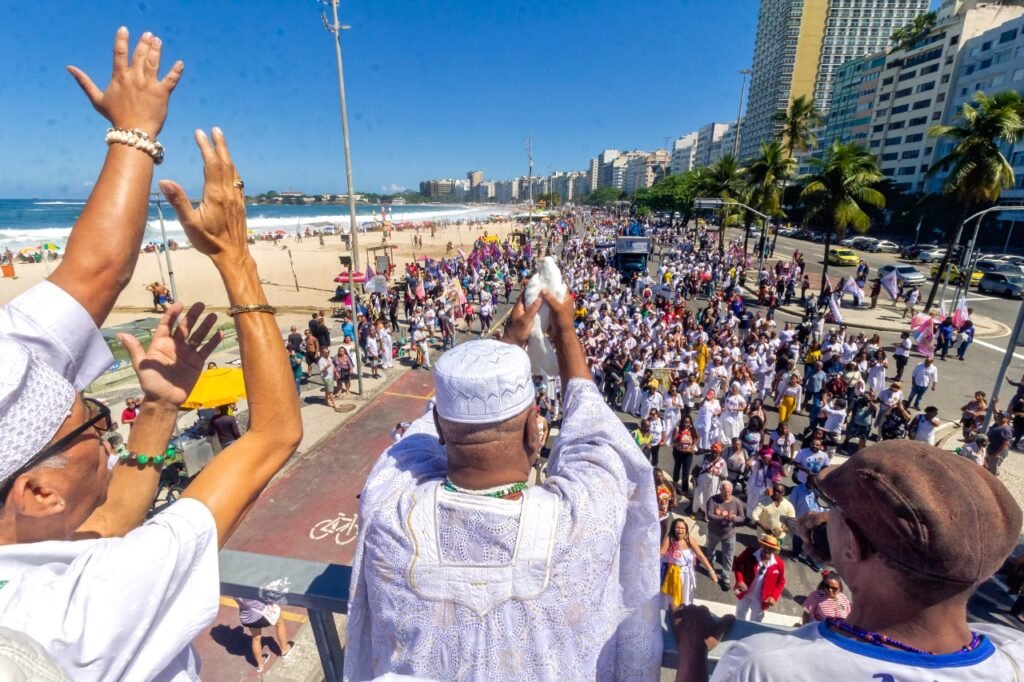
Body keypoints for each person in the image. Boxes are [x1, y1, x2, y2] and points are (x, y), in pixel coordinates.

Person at [0, 103, 302, 682]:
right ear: (39, 491)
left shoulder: (37, 555)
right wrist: (234, 257)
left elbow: (109, 521)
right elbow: (273, 434)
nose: (109, 439)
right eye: (95, 425)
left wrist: (160, 408)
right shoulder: (91, 608)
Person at [344, 290, 662, 680]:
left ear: (443, 429)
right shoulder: (580, 523)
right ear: (534, 431)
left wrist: (506, 345)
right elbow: (597, 438)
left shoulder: (390, 507)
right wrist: (564, 331)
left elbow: (418, 440)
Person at [676, 441, 1024, 682]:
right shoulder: (1013, 657)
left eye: (833, 507)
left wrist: (693, 648)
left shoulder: (764, 665)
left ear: (854, 545)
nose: (822, 514)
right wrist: (852, 556)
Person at [661, 518, 717, 609]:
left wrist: (711, 572)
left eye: (683, 528)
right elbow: (661, 553)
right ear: (673, 529)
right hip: (673, 574)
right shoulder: (669, 539)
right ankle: (670, 614)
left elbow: (700, 555)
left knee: (686, 596)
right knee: (671, 598)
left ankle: (684, 615)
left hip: (687, 575)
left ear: (686, 530)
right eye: (677, 528)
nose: (680, 530)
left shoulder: (689, 539)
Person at [732, 534, 786, 623]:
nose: (767, 551)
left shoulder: (779, 564)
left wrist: (773, 597)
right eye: (766, 547)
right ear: (761, 545)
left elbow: (781, 581)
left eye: (771, 549)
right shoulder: (749, 553)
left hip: (762, 597)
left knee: (756, 619)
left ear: (774, 550)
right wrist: (740, 580)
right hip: (744, 592)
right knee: (740, 614)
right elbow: (737, 564)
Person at [703, 480, 745, 588]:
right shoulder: (713, 500)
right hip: (714, 532)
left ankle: (725, 577)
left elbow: (742, 518)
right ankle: (710, 563)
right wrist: (724, 517)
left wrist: (734, 518)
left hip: (729, 534)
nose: (727, 494)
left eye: (729, 492)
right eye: (725, 491)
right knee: (711, 550)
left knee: (728, 556)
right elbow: (709, 515)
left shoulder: (736, 502)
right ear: (720, 490)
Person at [234, 597, 292, 673]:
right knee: (280, 623)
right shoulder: (249, 588)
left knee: (256, 638)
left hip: (246, 618)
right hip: (260, 614)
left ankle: (260, 664)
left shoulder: (234, 590)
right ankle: (284, 649)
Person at [986, 410, 1014, 476]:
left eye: (1002, 417)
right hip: (991, 450)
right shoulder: (998, 425)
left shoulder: (1005, 429)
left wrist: (996, 454)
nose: (999, 417)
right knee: (988, 465)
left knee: (993, 468)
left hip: (997, 452)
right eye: (999, 416)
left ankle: (993, 479)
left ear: (1007, 419)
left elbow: (1005, 444)